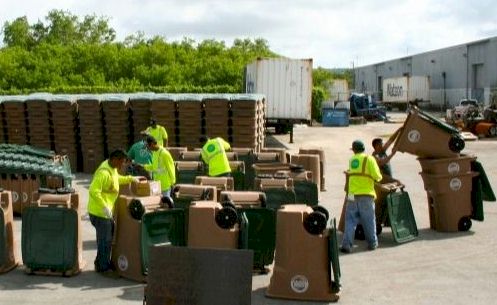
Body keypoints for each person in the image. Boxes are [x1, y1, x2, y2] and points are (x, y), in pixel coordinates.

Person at [87, 149, 142, 275]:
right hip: (100, 212)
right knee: (105, 240)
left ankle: (100, 262)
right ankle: (104, 267)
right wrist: (104, 207)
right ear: (115, 160)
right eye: (121, 162)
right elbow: (93, 190)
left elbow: (117, 179)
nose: (122, 165)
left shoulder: (111, 169)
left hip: (105, 212)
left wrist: (131, 179)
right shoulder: (103, 173)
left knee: (105, 239)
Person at [340, 140, 383, 253]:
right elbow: (378, 176)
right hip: (366, 194)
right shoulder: (369, 159)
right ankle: (372, 243)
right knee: (368, 220)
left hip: (352, 194)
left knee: (350, 220)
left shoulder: (352, 159)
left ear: (354, 150)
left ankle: (346, 245)